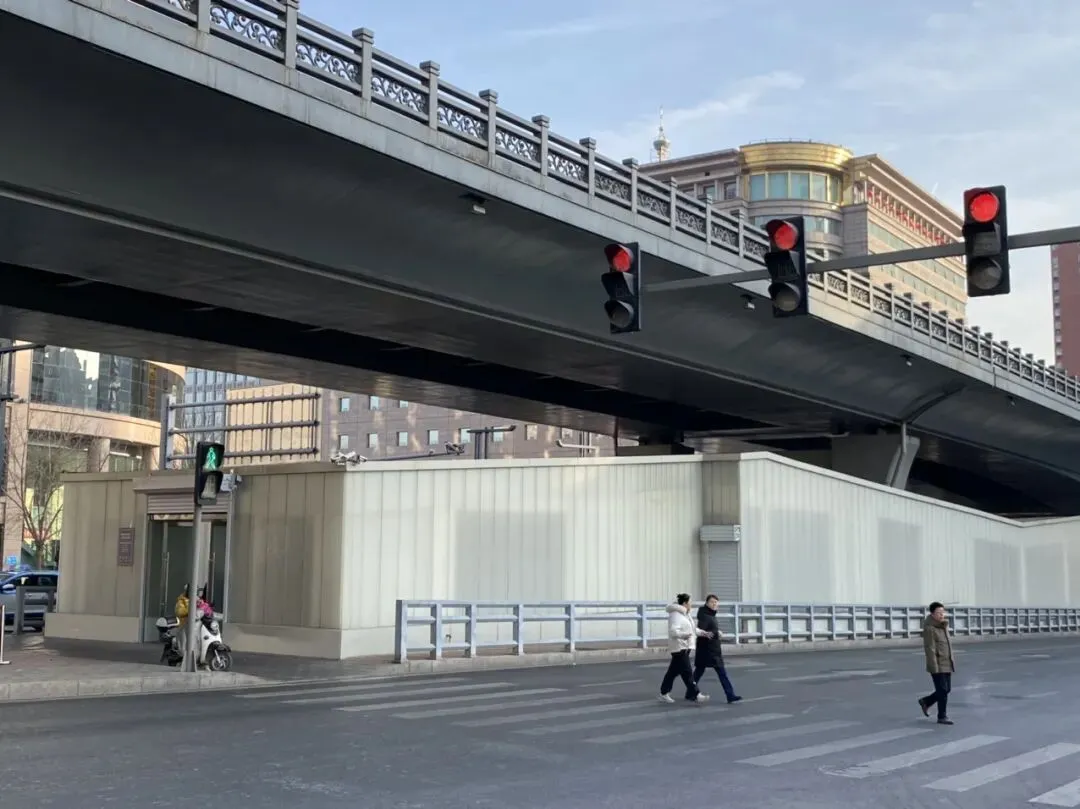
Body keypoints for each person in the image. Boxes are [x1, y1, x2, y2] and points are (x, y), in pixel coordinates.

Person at [658, 593, 711, 704]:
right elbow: (673, 631)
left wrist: (703, 633)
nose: (691, 605)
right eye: (690, 602)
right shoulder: (675, 615)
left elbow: (692, 629)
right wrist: (684, 635)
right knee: (687, 672)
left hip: (685, 646)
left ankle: (664, 692)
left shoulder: (685, 614)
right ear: (685, 603)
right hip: (679, 647)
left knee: (673, 672)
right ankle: (696, 694)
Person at [693, 594, 742, 704]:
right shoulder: (705, 616)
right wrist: (716, 633)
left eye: (716, 602)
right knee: (720, 673)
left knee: (699, 673)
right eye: (712, 602)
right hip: (708, 650)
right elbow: (702, 632)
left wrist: (716, 633)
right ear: (707, 603)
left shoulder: (710, 614)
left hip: (711, 649)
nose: (714, 604)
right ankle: (730, 695)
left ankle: (690, 692)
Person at [918, 601, 955, 725]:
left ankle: (926, 701)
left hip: (946, 662)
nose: (942, 615)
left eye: (943, 612)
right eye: (939, 613)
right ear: (932, 614)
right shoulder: (930, 629)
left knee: (946, 689)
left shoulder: (943, 626)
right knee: (943, 690)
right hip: (938, 664)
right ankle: (942, 716)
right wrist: (934, 667)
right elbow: (930, 649)